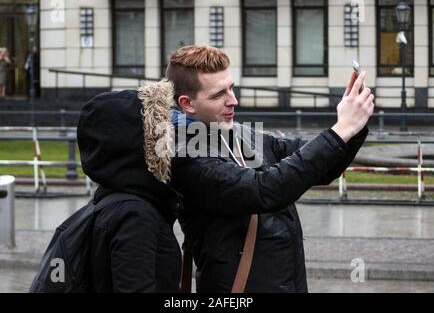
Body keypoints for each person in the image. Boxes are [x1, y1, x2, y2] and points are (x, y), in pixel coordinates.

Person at [167, 45, 373, 293]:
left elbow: (319, 166)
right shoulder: (186, 155)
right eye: (218, 94)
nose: (233, 100)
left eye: (231, 88)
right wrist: (340, 131)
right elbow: (266, 189)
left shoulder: (236, 131)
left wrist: (354, 127)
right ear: (187, 103)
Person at [76, 80, 182, 292]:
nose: (169, 139)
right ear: (137, 144)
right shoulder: (135, 215)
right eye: (159, 132)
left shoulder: (112, 198)